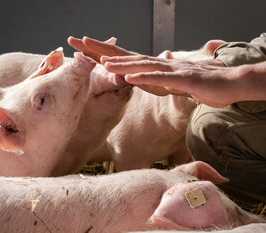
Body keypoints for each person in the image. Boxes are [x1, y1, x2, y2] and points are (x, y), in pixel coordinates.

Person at [68, 33, 266, 203]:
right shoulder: (142, 126)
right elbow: (128, 155)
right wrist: (225, 65)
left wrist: (237, 77)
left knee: (207, 127)